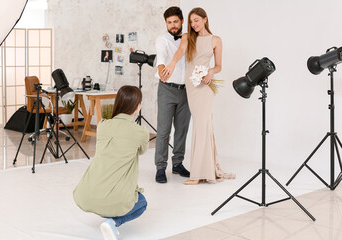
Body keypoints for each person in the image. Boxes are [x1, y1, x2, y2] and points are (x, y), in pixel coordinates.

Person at [162, 7, 235, 185]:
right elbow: (180, 53)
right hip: (191, 85)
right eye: (191, 21)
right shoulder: (188, 37)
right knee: (202, 125)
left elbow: (219, 66)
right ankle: (205, 170)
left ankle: (198, 174)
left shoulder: (216, 40)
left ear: (205, 19)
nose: (193, 24)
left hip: (205, 85)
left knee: (202, 125)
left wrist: (209, 72)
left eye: (196, 20)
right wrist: (171, 63)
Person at [73, 85, 149, 240]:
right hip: (115, 203)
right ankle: (114, 222)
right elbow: (141, 150)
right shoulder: (141, 132)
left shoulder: (102, 125)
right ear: (137, 106)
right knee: (142, 203)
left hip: (88, 198)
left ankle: (109, 216)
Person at [154, 6, 191, 183]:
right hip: (167, 89)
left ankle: (178, 163)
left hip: (186, 91)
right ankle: (160, 167)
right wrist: (161, 68)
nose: (173, 25)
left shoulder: (190, 39)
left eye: (175, 21)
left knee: (182, 130)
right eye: (169, 22)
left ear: (182, 21)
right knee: (163, 130)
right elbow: (161, 56)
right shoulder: (162, 40)